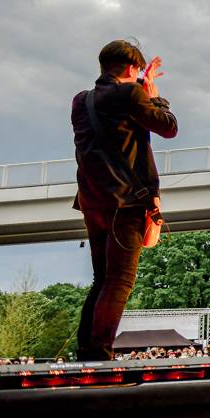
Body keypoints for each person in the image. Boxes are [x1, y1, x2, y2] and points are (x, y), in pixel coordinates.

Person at [70, 39, 178, 361]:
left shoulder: (80, 101)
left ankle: (87, 351)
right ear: (132, 69)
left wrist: (139, 92)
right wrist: (152, 94)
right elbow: (168, 127)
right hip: (125, 202)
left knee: (101, 278)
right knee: (119, 280)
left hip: (92, 202)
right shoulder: (130, 94)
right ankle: (100, 354)